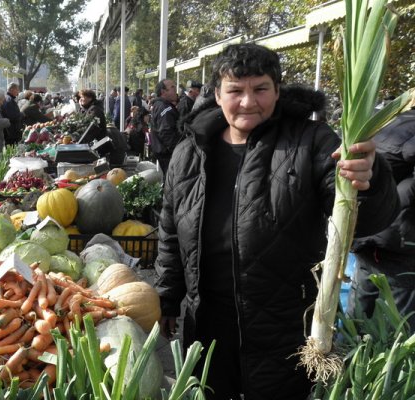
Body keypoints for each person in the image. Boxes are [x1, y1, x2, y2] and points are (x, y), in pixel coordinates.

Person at [154, 43, 399, 400]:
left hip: (282, 326)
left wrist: (371, 179)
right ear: (217, 95)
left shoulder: (312, 142)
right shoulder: (189, 152)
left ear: (278, 91)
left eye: (260, 89)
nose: (248, 102)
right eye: (235, 90)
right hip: (206, 322)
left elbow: (364, 221)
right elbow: (170, 231)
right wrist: (166, 296)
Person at [348, 101, 415, 330]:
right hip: (397, 242)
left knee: (359, 309)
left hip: (365, 233)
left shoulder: (388, 122)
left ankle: (348, 353)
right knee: (402, 319)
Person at [150, 78, 180, 176]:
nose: (175, 89)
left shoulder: (161, 105)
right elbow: (166, 131)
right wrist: (177, 151)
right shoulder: (164, 107)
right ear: (163, 92)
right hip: (168, 153)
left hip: (163, 151)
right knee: (172, 180)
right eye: (172, 87)